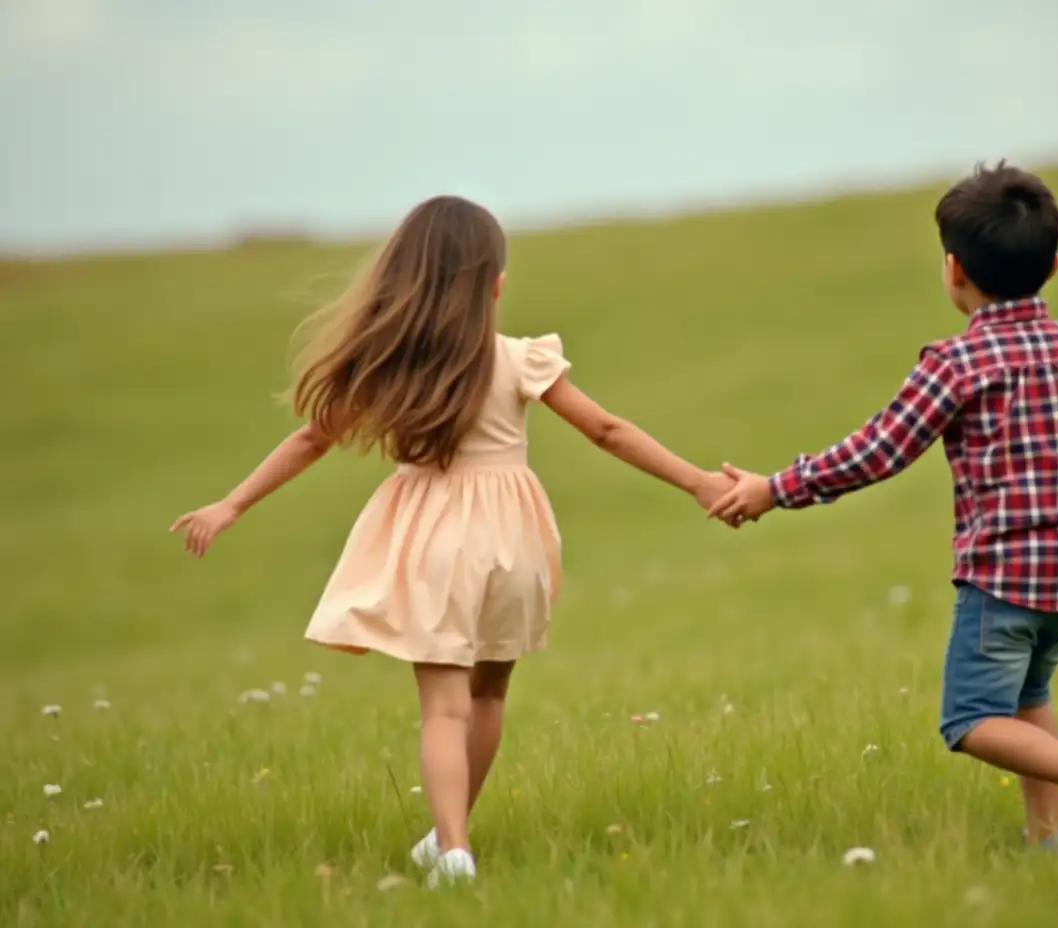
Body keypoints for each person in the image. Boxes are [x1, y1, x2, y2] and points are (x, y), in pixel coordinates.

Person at [170, 196, 731, 887]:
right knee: (489, 698)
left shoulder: (389, 365)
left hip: (433, 540)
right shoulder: (522, 360)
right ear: (494, 283)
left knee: (443, 708)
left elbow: (313, 437)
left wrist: (232, 503)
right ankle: (446, 841)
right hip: (513, 539)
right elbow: (608, 430)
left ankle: (454, 849)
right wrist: (699, 482)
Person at [708, 161, 1058, 856]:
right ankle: (1045, 839)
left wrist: (776, 488)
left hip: (1003, 580)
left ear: (953, 271)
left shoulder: (957, 363)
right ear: (1054, 265)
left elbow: (878, 450)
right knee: (1030, 692)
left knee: (970, 718)